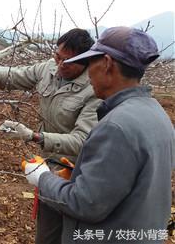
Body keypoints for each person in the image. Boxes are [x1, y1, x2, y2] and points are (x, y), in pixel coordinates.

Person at [22, 27, 175, 243]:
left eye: (90, 63)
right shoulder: (157, 115)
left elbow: (85, 204)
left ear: (107, 63)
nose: (88, 72)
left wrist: (42, 177)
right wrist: (78, 176)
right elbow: (127, 179)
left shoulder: (116, 126)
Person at [0, 28, 101, 244]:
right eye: (57, 57)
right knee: (47, 230)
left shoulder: (94, 90)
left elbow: (81, 141)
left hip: (77, 172)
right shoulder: (48, 69)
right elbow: (18, 75)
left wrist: (34, 136)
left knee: (72, 231)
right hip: (50, 167)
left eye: (66, 61)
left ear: (85, 61)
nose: (59, 65)